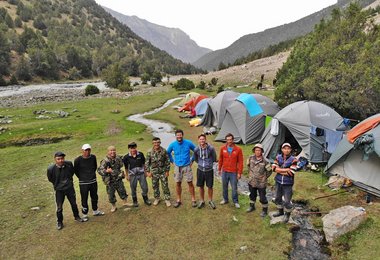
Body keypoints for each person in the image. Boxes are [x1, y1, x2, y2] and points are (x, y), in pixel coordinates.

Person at [47, 151, 87, 230]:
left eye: (62, 159)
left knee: (74, 204)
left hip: (69, 188)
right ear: (55, 159)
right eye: (58, 159)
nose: (61, 160)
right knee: (59, 207)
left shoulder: (69, 164)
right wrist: (58, 185)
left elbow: (71, 173)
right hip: (59, 190)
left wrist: (68, 182)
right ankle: (59, 222)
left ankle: (77, 217)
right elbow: (50, 179)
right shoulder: (51, 169)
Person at [74, 144, 104, 218]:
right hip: (83, 183)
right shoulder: (77, 160)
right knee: (84, 198)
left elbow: (94, 167)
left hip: (93, 181)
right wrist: (82, 177)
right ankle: (85, 214)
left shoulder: (93, 157)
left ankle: (95, 211)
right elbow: (76, 171)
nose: (87, 152)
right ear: (82, 150)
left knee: (94, 197)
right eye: (85, 150)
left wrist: (91, 176)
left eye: (88, 150)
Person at [167, 129, 196, 208]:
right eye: (177, 135)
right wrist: (172, 161)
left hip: (187, 166)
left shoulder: (188, 143)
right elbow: (168, 152)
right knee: (178, 183)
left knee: (190, 182)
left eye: (180, 135)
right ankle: (178, 200)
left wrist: (192, 160)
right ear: (175, 136)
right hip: (177, 166)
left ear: (182, 135)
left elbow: (196, 150)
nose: (179, 136)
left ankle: (193, 199)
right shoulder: (173, 144)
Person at [97, 146, 131, 212]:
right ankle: (113, 206)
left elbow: (126, 157)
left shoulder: (118, 158)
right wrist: (106, 171)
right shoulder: (105, 161)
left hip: (118, 178)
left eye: (114, 150)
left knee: (122, 191)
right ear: (108, 152)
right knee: (111, 194)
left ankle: (125, 202)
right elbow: (99, 170)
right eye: (111, 150)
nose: (112, 152)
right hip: (110, 181)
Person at [272, 143, 298, 223]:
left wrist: (279, 170)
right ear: (282, 149)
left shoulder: (294, 159)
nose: (286, 150)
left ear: (290, 150)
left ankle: (287, 214)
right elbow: (273, 168)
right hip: (278, 181)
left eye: (288, 149)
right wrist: (286, 169)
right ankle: (280, 212)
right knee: (277, 198)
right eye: (284, 148)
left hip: (288, 183)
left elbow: (291, 172)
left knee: (287, 201)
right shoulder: (278, 157)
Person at [246, 144, 272, 217]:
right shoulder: (250, 158)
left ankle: (264, 210)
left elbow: (269, 171)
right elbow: (248, 166)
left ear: (262, 151)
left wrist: (264, 177)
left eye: (259, 150)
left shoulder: (266, 161)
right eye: (256, 150)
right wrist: (250, 175)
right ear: (254, 151)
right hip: (252, 182)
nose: (257, 152)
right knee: (252, 195)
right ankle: (252, 207)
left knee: (262, 197)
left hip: (261, 183)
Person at [218, 133, 243, 208]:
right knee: (224, 186)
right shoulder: (223, 148)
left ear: (233, 140)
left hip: (233, 172)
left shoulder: (238, 149)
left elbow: (240, 162)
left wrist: (239, 173)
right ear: (226, 140)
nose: (229, 141)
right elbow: (220, 159)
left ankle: (235, 201)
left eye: (230, 139)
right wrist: (219, 169)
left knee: (234, 188)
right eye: (228, 140)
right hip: (225, 171)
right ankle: (225, 199)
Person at [123, 142, 151, 207]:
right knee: (133, 188)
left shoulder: (140, 154)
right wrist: (127, 175)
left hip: (141, 174)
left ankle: (146, 199)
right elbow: (126, 167)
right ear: (129, 149)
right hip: (132, 175)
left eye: (134, 148)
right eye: (131, 148)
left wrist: (145, 172)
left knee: (145, 188)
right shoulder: (126, 157)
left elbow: (144, 164)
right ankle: (135, 201)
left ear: (136, 147)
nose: (133, 150)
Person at [192, 134, 217, 209]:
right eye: (200, 139)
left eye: (203, 139)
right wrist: (200, 164)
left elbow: (214, 158)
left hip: (209, 170)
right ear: (198, 140)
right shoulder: (196, 149)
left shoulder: (211, 148)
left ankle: (210, 200)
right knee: (201, 186)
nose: (202, 141)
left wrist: (208, 164)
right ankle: (202, 201)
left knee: (210, 186)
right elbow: (195, 158)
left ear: (205, 140)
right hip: (200, 170)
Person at [145, 137, 171, 207]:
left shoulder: (164, 151)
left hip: (163, 172)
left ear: (160, 143)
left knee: (165, 186)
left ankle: (167, 199)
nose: (156, 144)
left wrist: (167, 171)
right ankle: (157, 198)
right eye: (155, 143)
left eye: (158, 142)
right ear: (152, 143)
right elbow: (147, 162)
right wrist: (148, 172)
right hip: (154, 173)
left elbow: (167, 161)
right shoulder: (149, 152)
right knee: (155, 186)